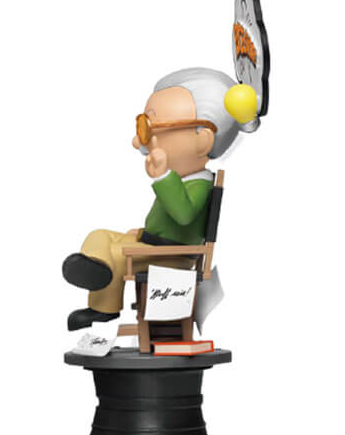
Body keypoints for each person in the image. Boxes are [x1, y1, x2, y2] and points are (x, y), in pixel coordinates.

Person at [62, 67, 256, 330]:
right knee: (100, 236)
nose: (138, 142)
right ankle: (95, 271)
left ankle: (104, 307)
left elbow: (183, 215)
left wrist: (164, 177)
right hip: (152, 243)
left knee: (116, 256)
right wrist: (143, 232)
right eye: (143, 129)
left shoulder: (199, 184)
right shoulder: (183, 180)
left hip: (174, 255)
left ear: (202, 140)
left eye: (151, 132)